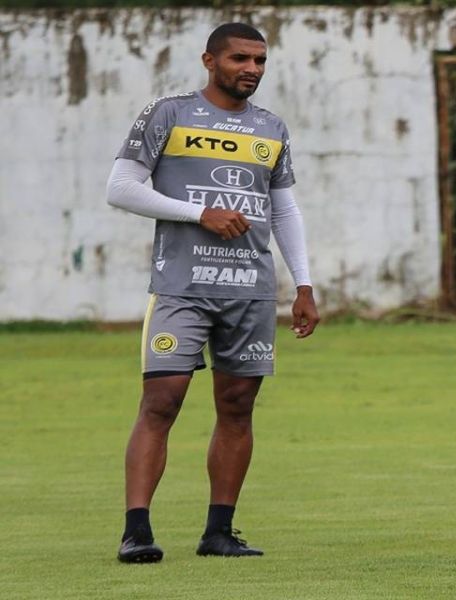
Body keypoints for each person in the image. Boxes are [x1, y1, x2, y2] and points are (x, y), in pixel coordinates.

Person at [106, 22, 318, 563]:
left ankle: (219, 532)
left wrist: (304, 283)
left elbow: (285, 209)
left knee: (238, 404)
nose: (251, 69)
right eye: (240, 59)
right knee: (162, 401)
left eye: (260, 61)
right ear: (209, 61)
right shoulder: (168, 114)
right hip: (181, 286)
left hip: (250, 289)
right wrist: (200, 212)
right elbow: (122, 188)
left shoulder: (271, 127)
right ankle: (137, 531)